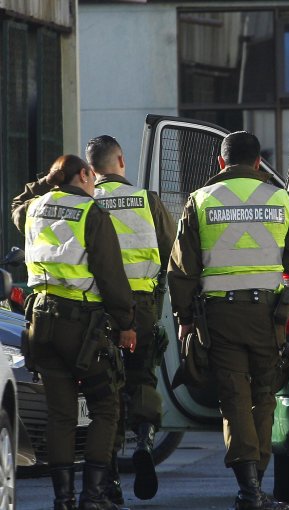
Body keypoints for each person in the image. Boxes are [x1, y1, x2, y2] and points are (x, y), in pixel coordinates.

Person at [168, 132, 289, 510]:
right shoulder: (281, 198)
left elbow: (181, 270)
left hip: (220, 318)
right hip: (268, 316)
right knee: (264, 398)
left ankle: (248, 489)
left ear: (220, 163)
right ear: (258, 162)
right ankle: (255, 488)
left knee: (234, 399)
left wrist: (184, 319)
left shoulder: (199, 200)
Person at [11, 155, 136, 510]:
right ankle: (92, 496)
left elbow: (16, 204)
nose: (95, 184)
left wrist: (48, 179)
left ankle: (62, 499)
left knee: (60, 413)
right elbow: (110, 275)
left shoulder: (35, 209)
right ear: (82, 174)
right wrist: (126, 323)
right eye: (91, 177)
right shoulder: (90, 212)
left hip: (40, 324)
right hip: (81, 326)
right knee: (106, 406)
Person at [86, 135, 176, 502]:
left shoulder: (87, 203)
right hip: (142, 307)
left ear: (91, 170)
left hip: (99, 310)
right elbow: (173, 250)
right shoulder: (147, 201)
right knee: (142, 380)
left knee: (105, 395)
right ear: (120, 160)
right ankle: (144, 441)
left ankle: (110, 482)